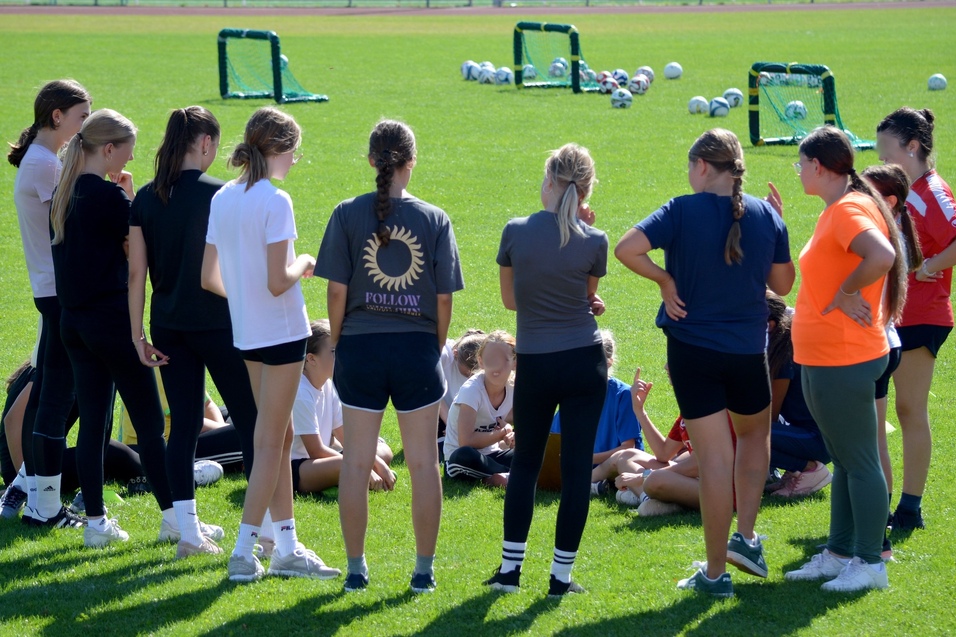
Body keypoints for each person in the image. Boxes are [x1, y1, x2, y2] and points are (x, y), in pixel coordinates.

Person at [615, 128, 794, 598]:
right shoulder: (764, 215)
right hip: (746, 352)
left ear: (701, 167)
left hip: (693, 352)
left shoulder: (680, 209)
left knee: (715, 460)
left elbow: (626, 248)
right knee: (755, 438)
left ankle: (715, 575)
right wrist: (777, 225)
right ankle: (748, 540)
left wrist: (664, 281)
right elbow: (784, 283)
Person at [315, 119, 464, 594]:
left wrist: (337, 343)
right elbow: (444, 299)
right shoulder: (435, 218)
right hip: (415, 348)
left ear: (371, 161)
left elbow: (336, 292)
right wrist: (435, 343)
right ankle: (423, 572)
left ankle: (356, 570)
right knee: (423, 463)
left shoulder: (345, 213)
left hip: (359, 347)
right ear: (411, 162)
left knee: (355, 464)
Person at [202, 106, 339, 583]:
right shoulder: (274, 201)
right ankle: (244, 552)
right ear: (278, 149)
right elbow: (281, 282)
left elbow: (209, 276)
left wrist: (244, 296)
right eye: (294, 152)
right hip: (282, 334)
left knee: (278, 438)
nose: (295, 161)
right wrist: (305, 260)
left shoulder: (222, 197)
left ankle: (286, 546)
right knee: (267, 442)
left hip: (248, 335)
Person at [128, 106, 258, 558]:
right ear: (204, 144)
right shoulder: (221, 195)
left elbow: (135, 275)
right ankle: (254, 535)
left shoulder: (145, 197)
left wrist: (137, 337)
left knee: (181, 427)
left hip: (167, 327)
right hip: (219, 324)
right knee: (250, 421)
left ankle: (187, 532)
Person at [784, 126, 907, 593]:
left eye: (801, 165)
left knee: (859, 461)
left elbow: (882, 254)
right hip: (823, 357)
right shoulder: (836, 209)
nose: (798, 173)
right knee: (844, 458)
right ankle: (839, 553)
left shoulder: (850, 208)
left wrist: (848, 290)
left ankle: (870, 563)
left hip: (845, 358)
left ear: (818, 167)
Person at [485, 143, 608, 598]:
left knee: (525, 466)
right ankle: (560, 580)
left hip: (536, 362)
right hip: (584, 362)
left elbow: (511, 301)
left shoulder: (515, 231)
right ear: (586, 189)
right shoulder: (596, 240)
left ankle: (510, 573)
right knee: (576, 473)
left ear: (551, 182)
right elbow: (587, 299)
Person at [49, 108, 176, 548]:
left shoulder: (64, 193)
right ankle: (174, 521)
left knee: (92, 424)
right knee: (150, 423)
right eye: (125, 154)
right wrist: (128, 197)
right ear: (107, 150)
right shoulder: (110, 199)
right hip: (111, 324)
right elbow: (138, 255)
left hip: (74, 324)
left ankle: (97, 525)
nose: (127, 162)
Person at [4, 79, 91, 527]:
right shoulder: (44, 165)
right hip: (60, 293)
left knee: (55, 392)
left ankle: (26, 484)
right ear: (56, 116)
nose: (84, 127)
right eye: (80, 117)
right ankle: (37, 495)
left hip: (52, 290)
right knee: (59, 396)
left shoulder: (44, 160)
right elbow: (74, 227)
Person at [875, 108, 955, 532]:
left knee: (909, 409)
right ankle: (876, 504)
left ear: (912, 147)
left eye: (887, 152)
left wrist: (930, 266)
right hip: (892, 314)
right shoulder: (903, 190)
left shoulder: (932, 191)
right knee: (878, 412)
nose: (882, 161)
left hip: (922, 314)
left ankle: (910, 507)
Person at [860, 163, 922, 524]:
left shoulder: (881, 237)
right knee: (873, 442)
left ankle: (871, 527)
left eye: (866, 192)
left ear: (890, 200)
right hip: (886, 341)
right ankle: (875, 519)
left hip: (873, 345)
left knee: (867, 445)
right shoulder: (892, 231)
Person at [290, 320, 395, 495]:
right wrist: (366, 466)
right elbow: (315, 450)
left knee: (383, 452)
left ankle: (348, 475)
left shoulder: (329, 385)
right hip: (300, 467)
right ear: (311, 359)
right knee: (346, 464)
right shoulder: (301, 392)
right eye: (333, 351)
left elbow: (347, 438)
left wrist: (375, 461)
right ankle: (351, 475)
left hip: (323, 460)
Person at [554, 329, 643, 494]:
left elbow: (627, 447)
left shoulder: (622, 395)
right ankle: (594, 486)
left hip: (615, 465)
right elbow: (554, 439)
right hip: (582, 466)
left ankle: (592, 484)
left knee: (617, 462)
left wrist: (587, 459)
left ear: (609, 362)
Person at [764, 292, 832, 498]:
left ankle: (809, 468)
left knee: (749, 434)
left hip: (819, 440)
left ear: (770, 325)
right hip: (823, 434)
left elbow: (770, 414)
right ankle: (795, 471)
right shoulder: (787, 342)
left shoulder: (783, 355)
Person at [444, 330, 516, 488]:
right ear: (481, 361)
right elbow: (466, 441)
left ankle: (503, 475)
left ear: (514, 363)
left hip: (492, 454)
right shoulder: (472, 390)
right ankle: (510, 474)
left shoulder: (513, 387)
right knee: (465, 455)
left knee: (535, 451)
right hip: (461, 457)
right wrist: (502, 433)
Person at [438, 329, 485, 457]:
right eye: (469, 371)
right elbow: (428, 391)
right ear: (456, 354)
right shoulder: (443, 355)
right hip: (441, 412)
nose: (472, 375)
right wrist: (450, 424)